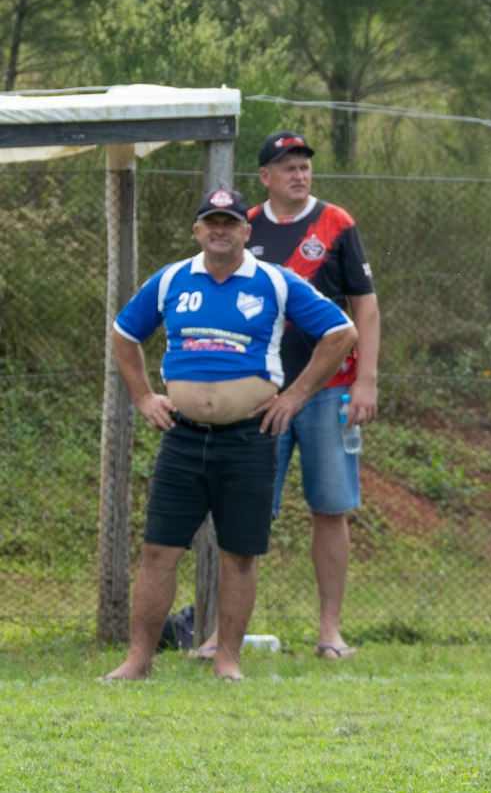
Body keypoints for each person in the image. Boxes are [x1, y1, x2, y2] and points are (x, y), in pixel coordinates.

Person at [102, 187, 357, 682]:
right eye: (212, 222)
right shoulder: (172, 279)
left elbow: (341, 332)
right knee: (158, 551)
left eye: (231, 223)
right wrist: (143, 397)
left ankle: (228, 662)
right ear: (197, 230)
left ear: (246, 231)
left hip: (249, 439)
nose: (221, 231)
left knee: (239, 555)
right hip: (183, 438)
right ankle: (137, 661)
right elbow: (124, 333)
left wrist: (295, 397)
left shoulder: (275, 282)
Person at [239, 130, 380, 660]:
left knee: (331, 508)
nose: (299, 175)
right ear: (265, 177)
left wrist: (366, 380)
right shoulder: (243, 227)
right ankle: (224, 632)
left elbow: (365, 307)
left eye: (304, 166)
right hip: (263, 393)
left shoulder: (336, 223)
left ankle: (330, 632)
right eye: (288, 167)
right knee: (248, 509)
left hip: (331, 391)